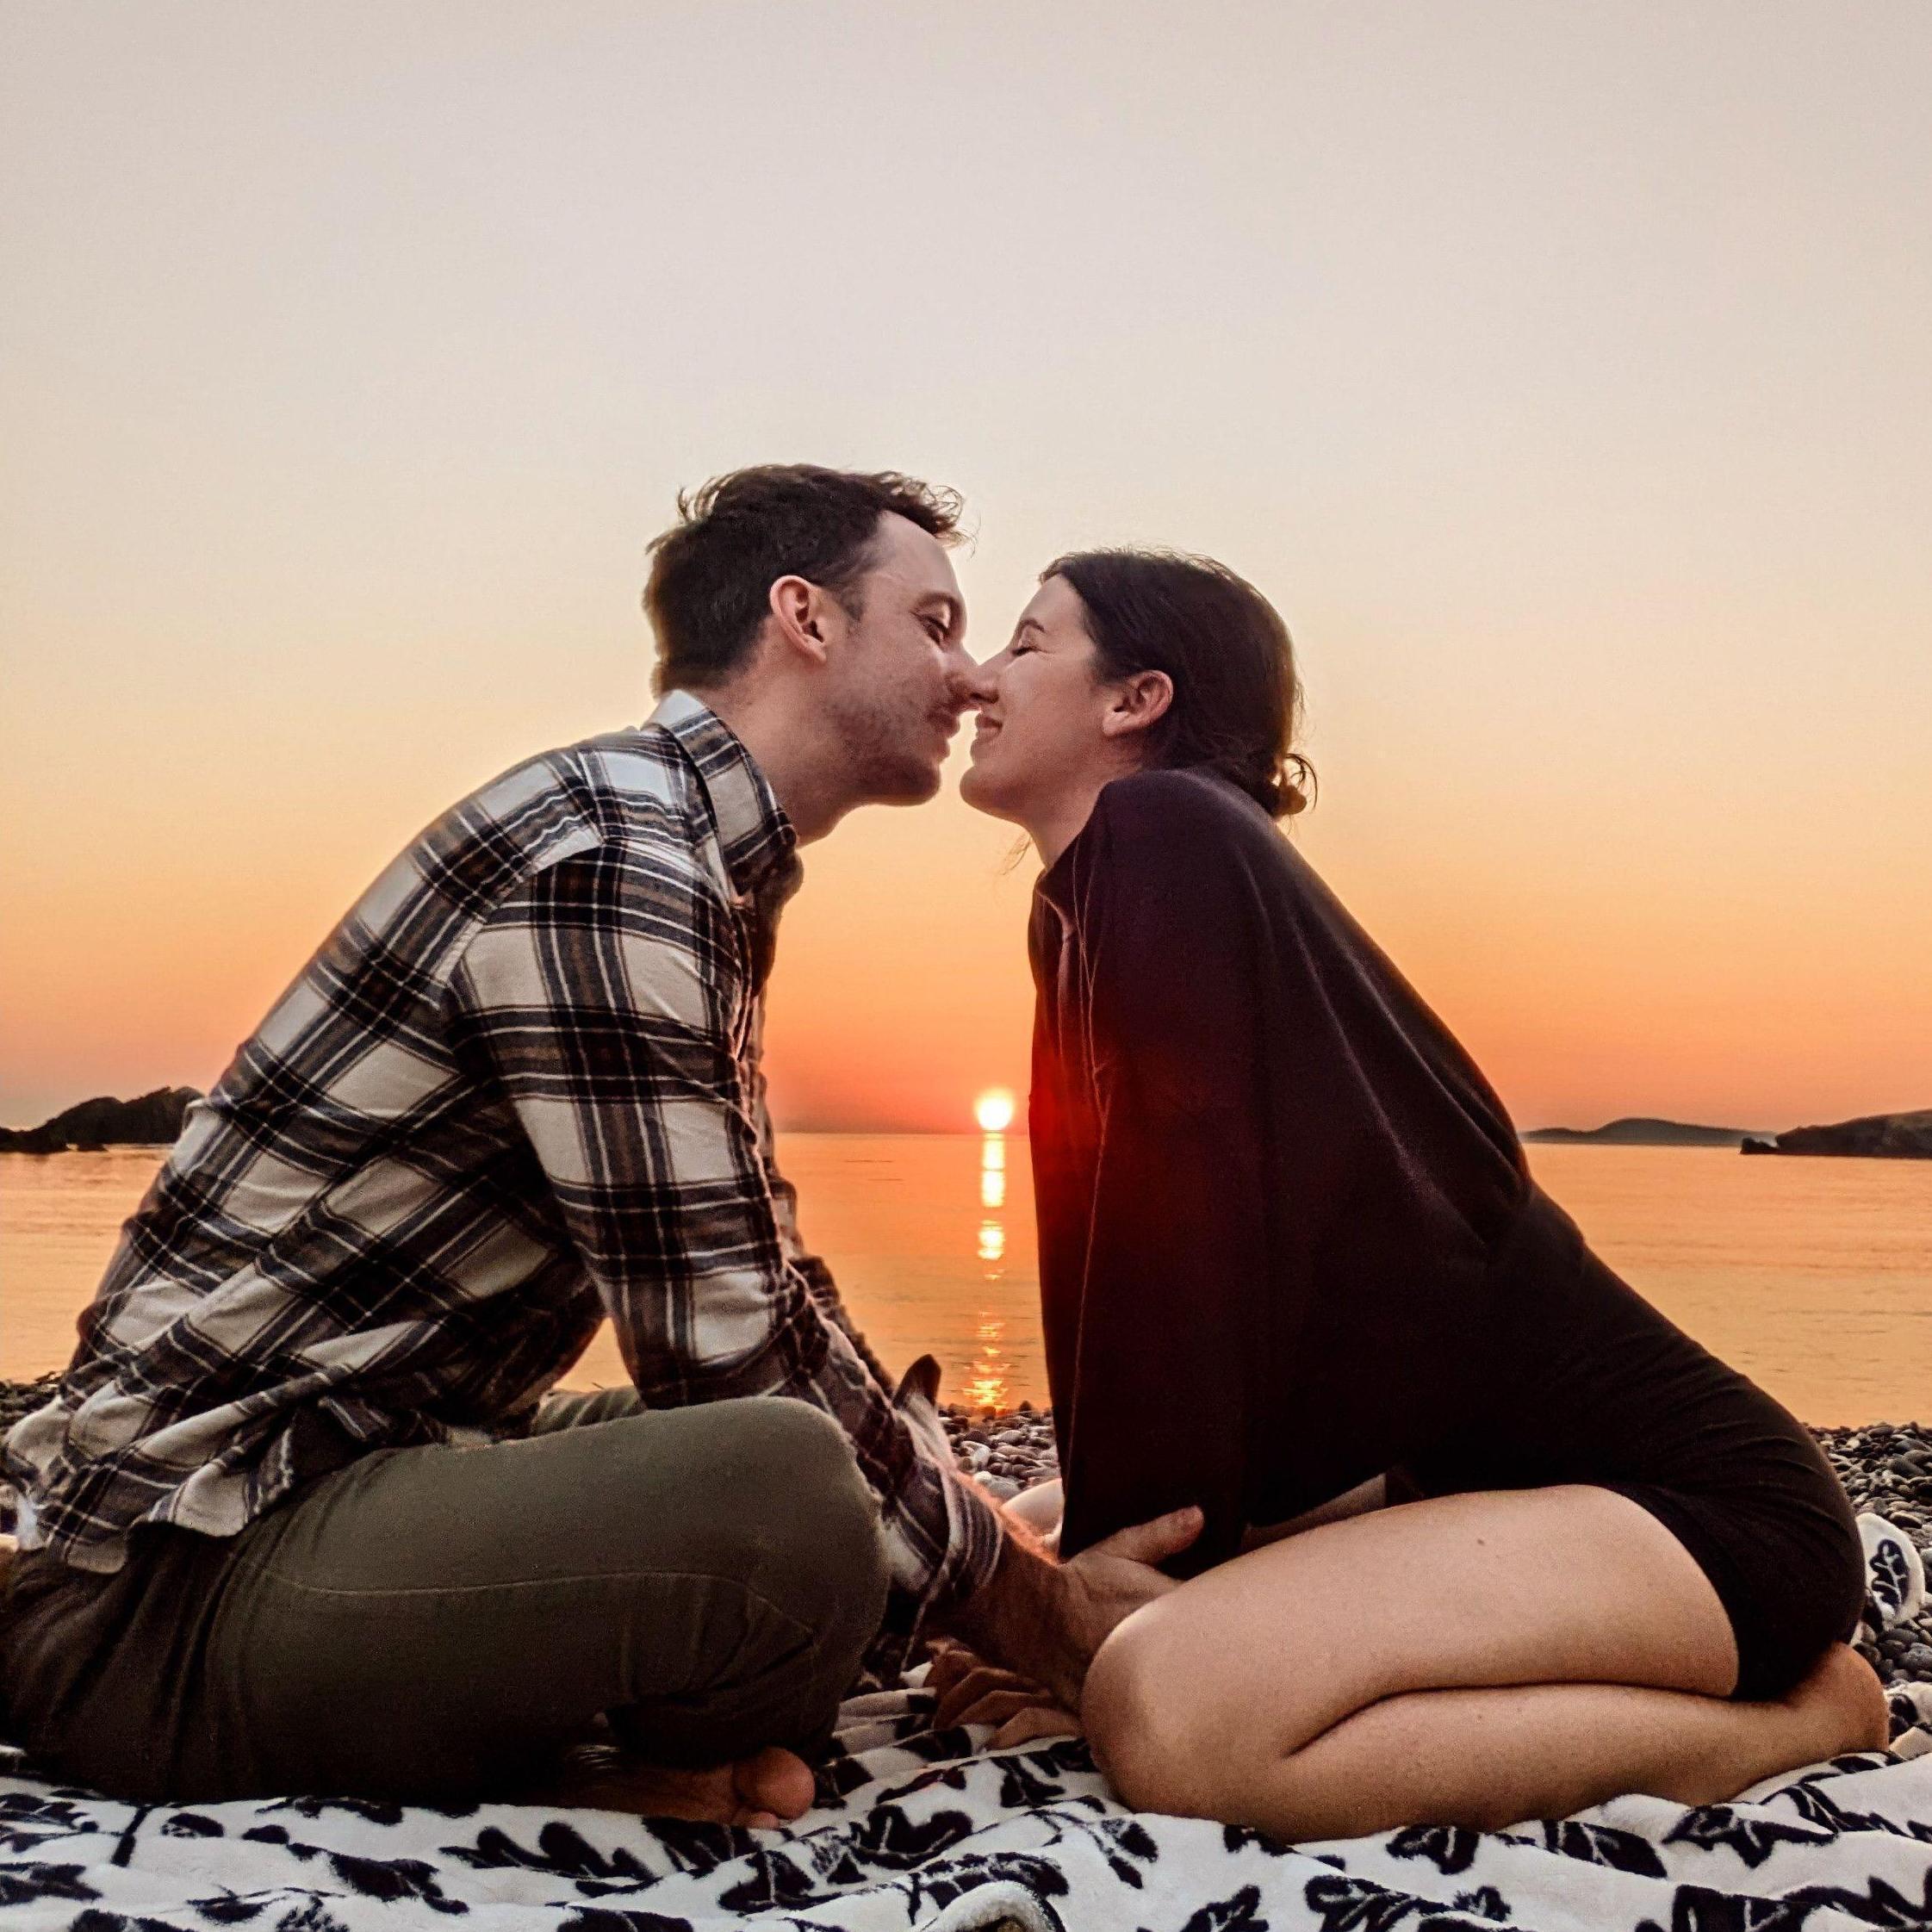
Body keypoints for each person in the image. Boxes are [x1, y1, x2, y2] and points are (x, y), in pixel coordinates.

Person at [0, 469, 1192, 1823]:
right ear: (804, 617)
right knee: (788, 1491)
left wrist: (963, 1523)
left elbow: (770, 1301)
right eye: (933, 622)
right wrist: (1052, 1619)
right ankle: (620, 1752)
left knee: (851, 1450)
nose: (972, 675)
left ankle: (624, 1740)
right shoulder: (614, 858)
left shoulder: (677, 850)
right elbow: (728, 1346)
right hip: (166, 1590)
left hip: (345, 1464)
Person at [943, 547, 1886, 1840]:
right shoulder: (1100, 899)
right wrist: (1086, 1565)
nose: (979, 679)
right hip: (1465, 1483)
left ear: (1134, 700)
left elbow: (1185, 1236)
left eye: (1027, 644)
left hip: (1702, 1521)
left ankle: (1805, 1716)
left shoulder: (1165, 834)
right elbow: (1132, 1262)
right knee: (1026, 1535)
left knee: (1171, 1713)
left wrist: (1101, 1627)